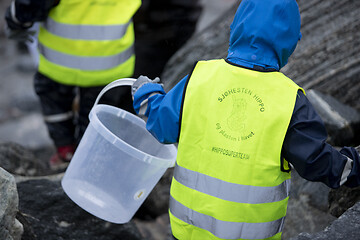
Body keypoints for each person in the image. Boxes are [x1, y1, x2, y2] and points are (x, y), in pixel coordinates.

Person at [131, 0, 360, 239]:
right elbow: (317, 163)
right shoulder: (290, 101)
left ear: (236, 26)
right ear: (291, 40)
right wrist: (355, 165)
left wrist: (147, 94)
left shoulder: (199, 77)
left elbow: (162, 125)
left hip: (186, 232)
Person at [5, 0, 141, 170]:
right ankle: (90, 160)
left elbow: (30, 4)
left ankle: (65, 151)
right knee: (97, 116)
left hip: (61, 59)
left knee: (54, 100)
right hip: (112, 59)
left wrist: (17, 20)